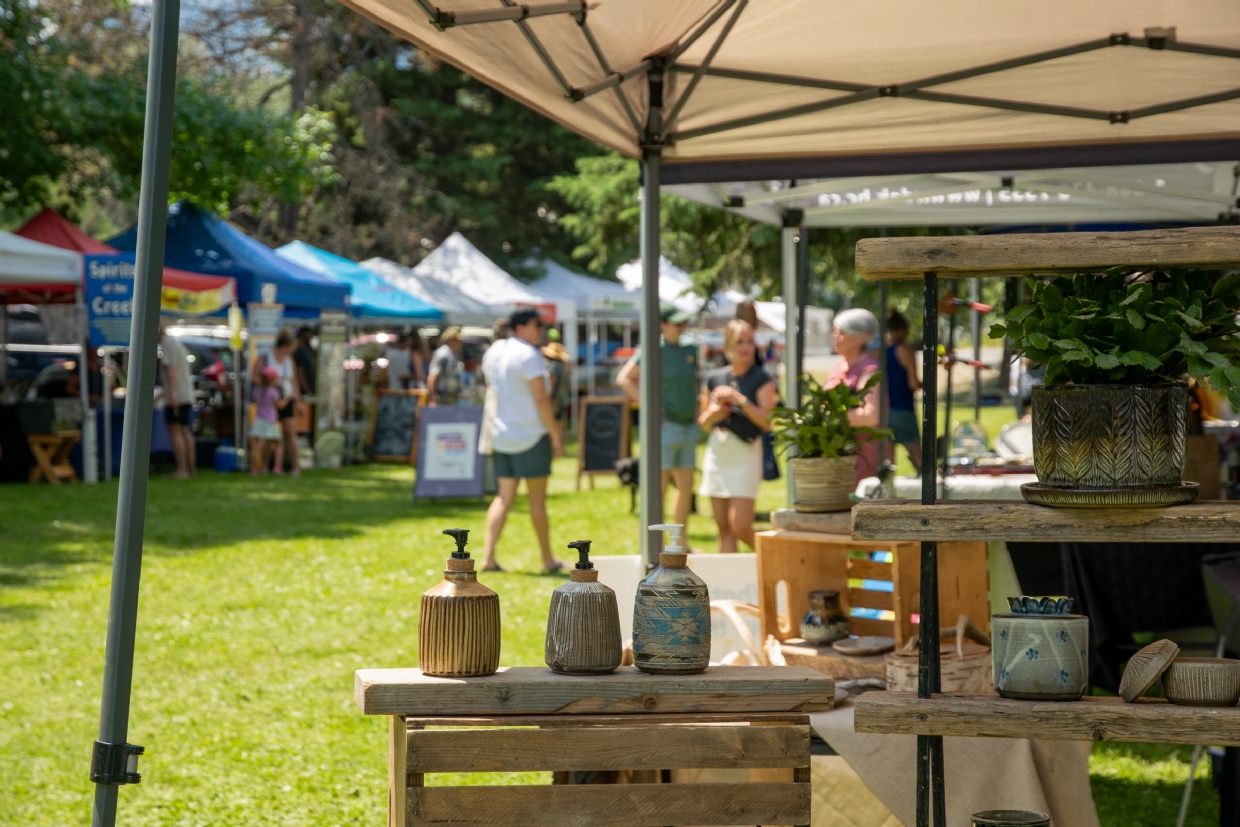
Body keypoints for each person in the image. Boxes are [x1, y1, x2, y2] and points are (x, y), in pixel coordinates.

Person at [481, 308, 565, 574]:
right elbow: (541, 399)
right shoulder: (529, 355)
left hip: (501, 434)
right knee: (537, 501)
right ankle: (547, 559)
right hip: (530, 435)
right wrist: (555, 435)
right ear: (520, 327)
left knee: (503, 498)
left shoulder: (494, 351)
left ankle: (488, 558)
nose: (541, 330)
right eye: (536, 324)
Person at [616, 304, 700, 537]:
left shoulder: (691, 348)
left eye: (683, 322)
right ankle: (658, 546)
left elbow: (695, 384)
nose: (681, 327)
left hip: (688, 427)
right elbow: (624, 379)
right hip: (664, 428)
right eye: (676, 323)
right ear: (662, 324)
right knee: (659, 490)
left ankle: (680, 545)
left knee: (685, 489)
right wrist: (651, 407)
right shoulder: (652, 349)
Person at [697, 319, 776, 553]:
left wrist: (738, 399)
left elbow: (767, 421)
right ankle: (729, 584)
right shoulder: (714, 378)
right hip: (717, 453)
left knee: (740, 526)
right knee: (723, 527)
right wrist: (714, 413)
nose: (745, 347)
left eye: (750, 342)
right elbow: (703, 423)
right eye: (740, 342)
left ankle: (773, 557)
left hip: (745, 454)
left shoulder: (762, 378)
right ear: (729, 344)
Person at [827, 308, 882, 485]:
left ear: (861, 338)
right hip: (841, 454)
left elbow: (871, 415)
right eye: (834, 331)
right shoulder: (839, 366)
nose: (834, 336)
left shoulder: (869, 370)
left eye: (841, 332)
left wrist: (833, 416)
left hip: (864, 455)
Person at [261, 328, 302, 477]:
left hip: (287, 397)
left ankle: (295, 467)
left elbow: (294, 381)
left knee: (290, 433)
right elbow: (258, 378)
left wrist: (298, 401)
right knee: (269, 435)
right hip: (271, 398)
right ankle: (265, 467)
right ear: (286, 345)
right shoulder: (267, 357)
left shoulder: (288, 360)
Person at [886, 311, 922, 473]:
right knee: (919, 459)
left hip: (885, 410)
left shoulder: (879, 351)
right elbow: (913, 383)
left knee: (888, 463)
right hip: (904, 409)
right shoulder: (906, 350)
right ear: (902, 330)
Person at [160, 320, 197, 478]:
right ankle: (191, 469)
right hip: (186, 394)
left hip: (177, 396)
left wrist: (172, 393)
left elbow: (172, 369)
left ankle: (182, 470)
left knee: (176, 431)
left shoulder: (167, 345)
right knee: (184, 430)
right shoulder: (176, 343)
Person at [250, 366, 283, 475]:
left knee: (255, 445)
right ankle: (277, 467)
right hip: (271, 421)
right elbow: (279, 405)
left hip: (259, 419)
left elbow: (255, 401)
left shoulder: (257, 390)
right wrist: (288, 398)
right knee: (278, 444)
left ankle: (254, 469)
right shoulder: (274, 391)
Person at [542, 328, 572, 445]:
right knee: (560, 422)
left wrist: (548, 397)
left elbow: (552, 383)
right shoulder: (563, 365)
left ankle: (557, 446)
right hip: (563, 397)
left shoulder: (554, 366)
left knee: (555, 422)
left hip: (555, 399)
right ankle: (561, 445)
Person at [427, 326, 466, 405]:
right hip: (443, 398)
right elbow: (432, 377)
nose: (460, 344)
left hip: (453, 398)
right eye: (457, 340)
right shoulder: (442, 354)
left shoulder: (453, 355)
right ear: (449, 340)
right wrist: (432, 398)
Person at [293, 326, 317, 397]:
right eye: (310, 334)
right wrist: (308, 392)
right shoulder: (299, 351)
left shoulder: (309, 350)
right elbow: (300, 374)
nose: (312, 337)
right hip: (305, 395)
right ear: (303, 335)